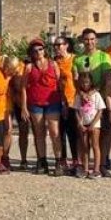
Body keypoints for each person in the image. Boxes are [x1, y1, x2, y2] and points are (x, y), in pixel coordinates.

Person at [24, 43, 62, 175]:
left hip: (53, 101)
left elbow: (59, 83)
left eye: (40, 49)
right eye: (35, 50)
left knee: (54, 131)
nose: (38, 52)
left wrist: (65, 103)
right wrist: (24, 107)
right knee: (39, 133)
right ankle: (42, 160)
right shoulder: (29, 67)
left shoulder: (53, 64)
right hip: (35, 102)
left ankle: (58, 161)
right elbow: (24, 87)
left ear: (44, 50)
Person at [52, 36, 79, 175]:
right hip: (58, 100)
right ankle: (62, 161)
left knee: (73, 132)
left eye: (59, 45)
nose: (57, 48)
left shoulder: (75, 59)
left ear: (66, 45)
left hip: (73, 100)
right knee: (60, 132)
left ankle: (76, 161)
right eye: (55, 46)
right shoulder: (54, 62)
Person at [74, 72, 105, 178]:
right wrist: (79, 123)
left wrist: (93, 124)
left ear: (91, 82)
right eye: (82, 82)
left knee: (95, 145)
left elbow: (100, 110)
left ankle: (96, 169)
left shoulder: (96, 95)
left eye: (87, 82)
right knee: (84, 146)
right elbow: (76, 110)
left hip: (94, 123)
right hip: (83, 122)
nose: (85, 84)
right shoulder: (78, 95)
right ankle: (86, 169)